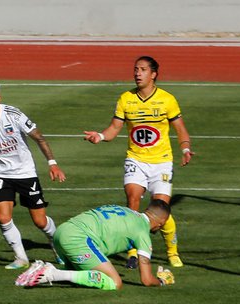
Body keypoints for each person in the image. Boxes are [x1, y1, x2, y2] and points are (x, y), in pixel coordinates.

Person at [83, 56, 194, 269]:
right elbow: (114, 128)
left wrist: (186, 148)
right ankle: (133, 251)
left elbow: (180, 128)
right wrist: (100, 136)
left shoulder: (167, 99)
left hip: (161, 162)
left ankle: (172, 251)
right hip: (136, 159)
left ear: (153, 74)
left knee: (161, 209)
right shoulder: (126, 99)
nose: (137, 73)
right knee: (133, 199)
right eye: (135, 69)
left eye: (142, 69)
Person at [0, 78, 66, 269]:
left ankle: (57, 246)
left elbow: (39, 138)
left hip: (25, 173)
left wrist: (53, 164)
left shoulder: (13, 115)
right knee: (3, 217)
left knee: (40, 221)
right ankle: (21, 258)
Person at [15, 200, 175, 290]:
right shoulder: (142, 232)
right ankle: (51, 273)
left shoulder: (126, 211)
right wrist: (161, 281)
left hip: (61, 232)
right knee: (114, 282)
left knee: (81, 274)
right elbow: (146, 280)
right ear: (161, 222)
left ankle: (41, 269)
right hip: (78, 239)